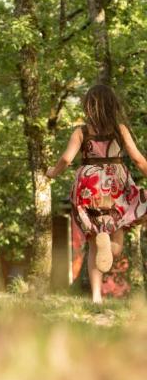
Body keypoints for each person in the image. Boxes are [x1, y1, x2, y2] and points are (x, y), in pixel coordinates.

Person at [46, 84, 147, 304]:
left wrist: (53, 172)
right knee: (117, 236)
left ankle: (96, 297)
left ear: (88, 107)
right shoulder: (120, 130)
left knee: (93, 244)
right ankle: (110, 246)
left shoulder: (81, 132)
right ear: (113, 105)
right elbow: (138, 159)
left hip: (89, 186)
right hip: (115, 187)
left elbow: (66, 159)